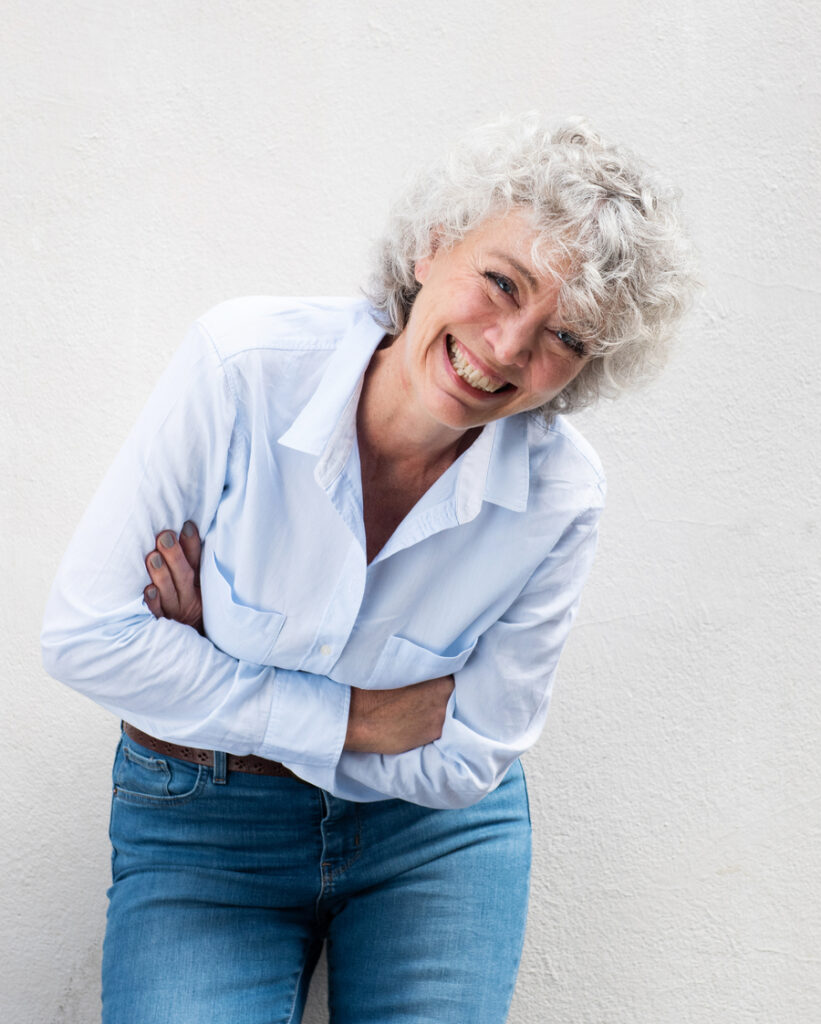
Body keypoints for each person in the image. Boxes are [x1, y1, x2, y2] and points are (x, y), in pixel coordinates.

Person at [41, 115, 695, 1023]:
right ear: (433, 246)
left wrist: (212, 680)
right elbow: (86, 638)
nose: (506, 347)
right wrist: (362, 715)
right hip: (204, 818)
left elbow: (468, 760)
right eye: (500, 283)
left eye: (565, 337)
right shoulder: (246, 367)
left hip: (431, 841)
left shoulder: (561, 496)